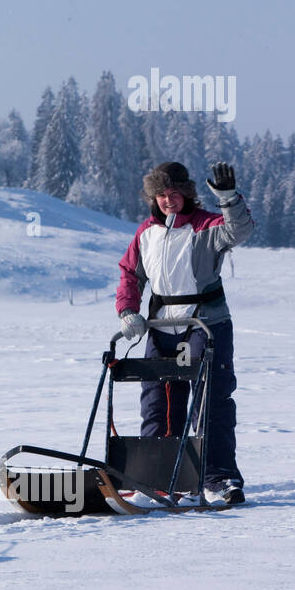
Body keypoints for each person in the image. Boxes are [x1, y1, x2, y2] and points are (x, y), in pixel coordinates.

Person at [115, 161, 255, 505]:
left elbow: (240, 231)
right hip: (162, 326)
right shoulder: (146, 232)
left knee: (210, 403)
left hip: (205, 323)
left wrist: (228, 199)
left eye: (174, 193)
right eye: (161, 194)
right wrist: (128, 310)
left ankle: (218, 478)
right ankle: (159, 477)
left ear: (186, 193)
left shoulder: (207, 226)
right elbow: (130, 274)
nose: (168, 200)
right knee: (157, 402)